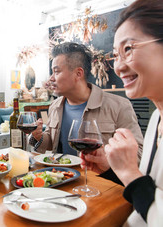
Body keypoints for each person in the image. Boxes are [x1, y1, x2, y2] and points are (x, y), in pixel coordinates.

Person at [86, 0, 163, 226]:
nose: (118, 67)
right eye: (115, 55)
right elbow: (150, 191)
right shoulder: (157, 118)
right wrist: (113, 168)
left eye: (128, 49)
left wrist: (129, 172)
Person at [29, 42, 143, 178]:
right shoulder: (55, 105)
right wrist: (38, 136)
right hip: (62, 179)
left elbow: (140, 155)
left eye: (56, 71)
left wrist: (107, 162)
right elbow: (50, 143)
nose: (51, 78)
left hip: (100, 184)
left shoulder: (119, 106)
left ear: (78, 73)